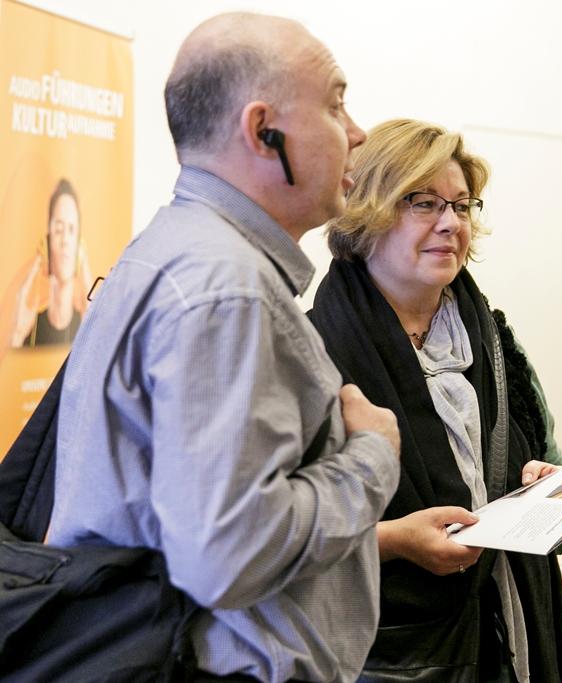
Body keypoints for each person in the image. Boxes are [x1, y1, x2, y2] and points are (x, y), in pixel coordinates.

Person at [47, 12, 401, 683]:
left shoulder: (171, 251)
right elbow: (228, 554)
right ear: (262, 131)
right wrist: (373, 457)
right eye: (335, 103)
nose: (356, 132)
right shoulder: (227, 290)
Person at [307, 118, 562, 682]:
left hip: (511, 631)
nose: (451, 223)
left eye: (462, 205)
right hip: (378, 655)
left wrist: (537, 489)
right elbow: (267, 536)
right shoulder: (309, 354)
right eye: (424, 203)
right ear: (368, 211)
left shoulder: (495, 341)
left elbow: (542, 453)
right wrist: (395, 542)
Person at [10, 178, 91, 347]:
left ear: (79, 246)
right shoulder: (28, 328)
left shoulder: (87, 323)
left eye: (71, 230)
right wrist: (17, 335)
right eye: (59, 230)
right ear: (46, 242)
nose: (65, 241)